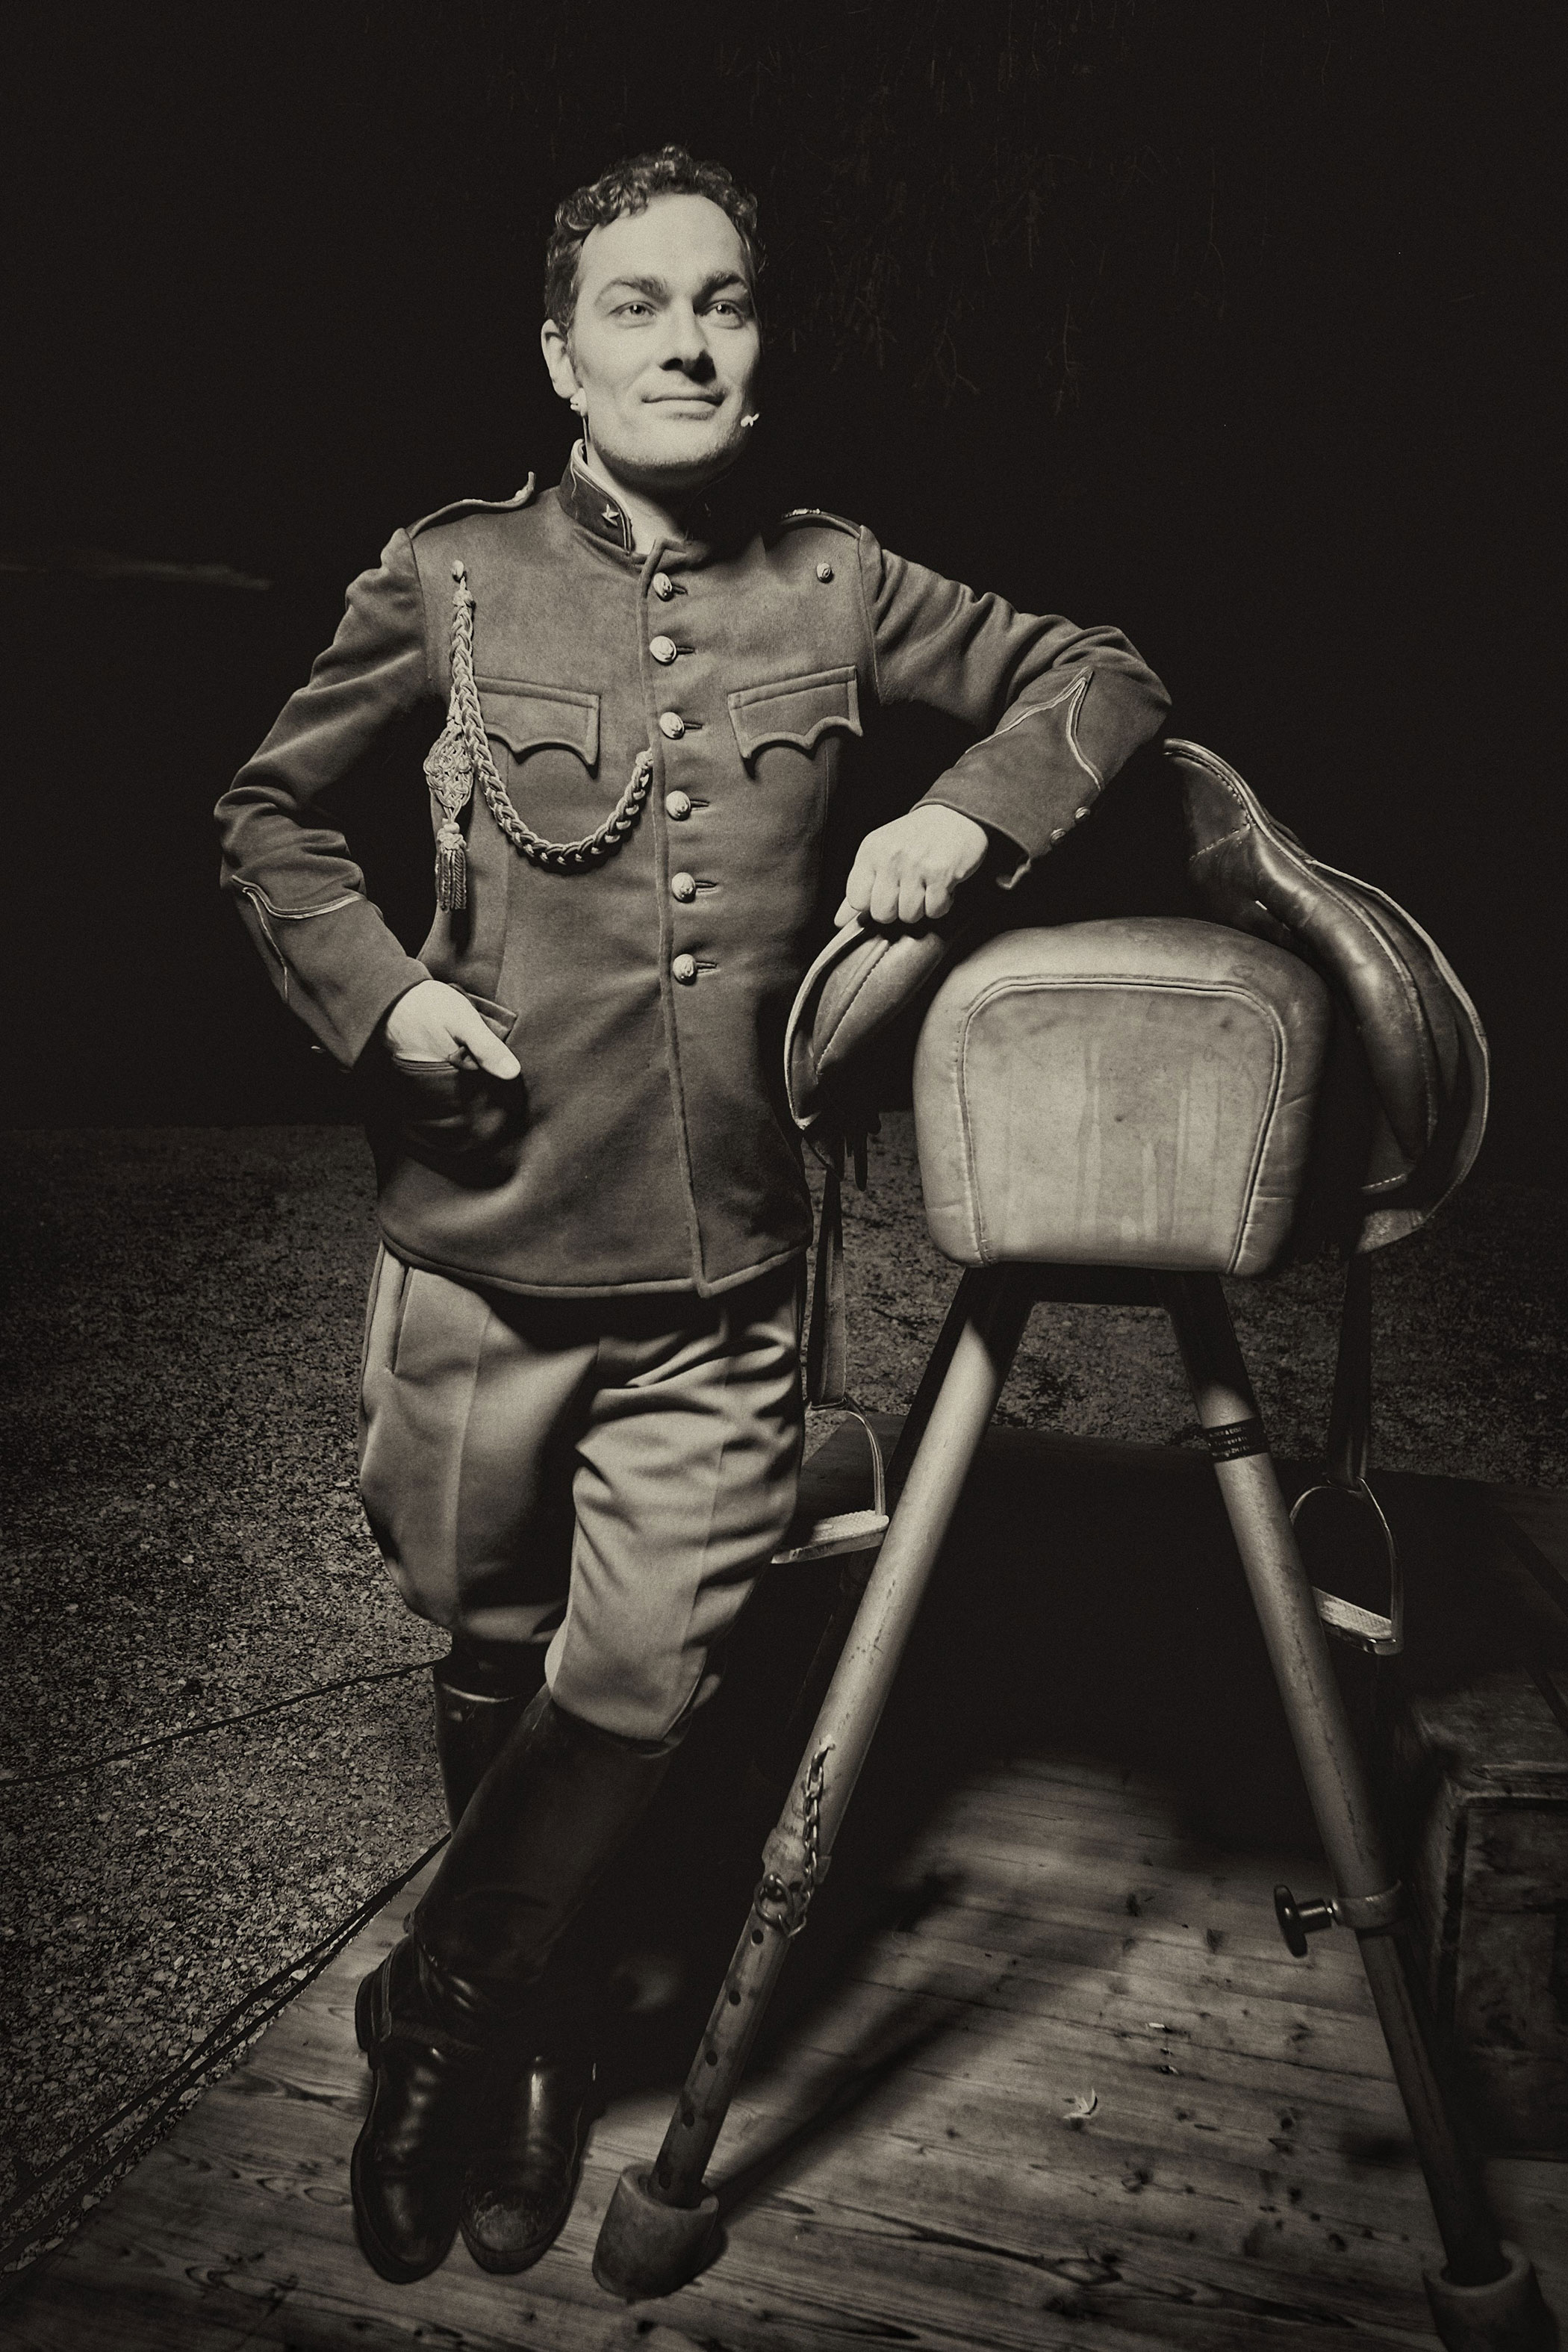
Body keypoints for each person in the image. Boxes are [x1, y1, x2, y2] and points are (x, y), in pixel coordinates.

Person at [214, 144, 1169, 2286]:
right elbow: (268, 817)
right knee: (489, 1641)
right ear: (562, 358)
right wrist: (381, 998)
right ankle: (539, 2011)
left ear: (759, 343)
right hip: (482, 1248)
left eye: (719, 302)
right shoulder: (448, 575)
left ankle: (455, 2017)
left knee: (642, 1670)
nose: (684, 342)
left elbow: (1100, 676)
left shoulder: (840, 585)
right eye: (634, 307)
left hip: (729, 1268)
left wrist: (965, 812)